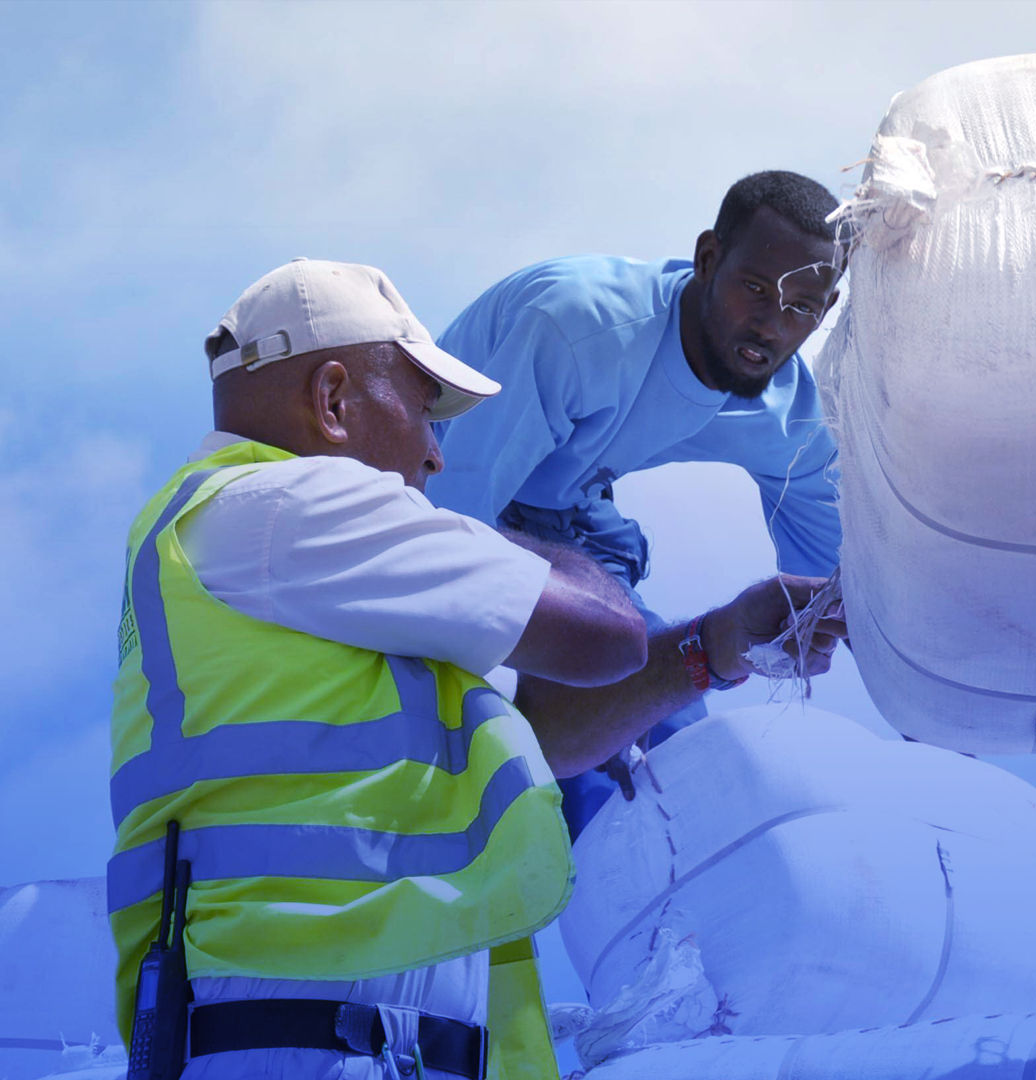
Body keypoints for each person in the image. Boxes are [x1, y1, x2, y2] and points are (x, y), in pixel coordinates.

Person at [108, 258, 843, 1080]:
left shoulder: (310, 566)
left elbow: (547, 732)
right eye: (426, 414)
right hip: (309, 1042)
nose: (435, 458)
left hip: (351, 1041)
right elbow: (606, 631)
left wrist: (716, 643)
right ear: (334, 400)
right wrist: (554, 528)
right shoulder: (282, 505)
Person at [427, 169, 845, 830]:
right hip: (435, 491)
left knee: (670, 723)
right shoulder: (578, 329)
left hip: (567, 514)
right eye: (755, 289)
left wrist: (934, 702)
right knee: (571, 703)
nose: (772, 325)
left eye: (802, 308)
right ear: (708, 258)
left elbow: (842, 583)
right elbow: (445, 529)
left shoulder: (787, 415)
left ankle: (648, 882)